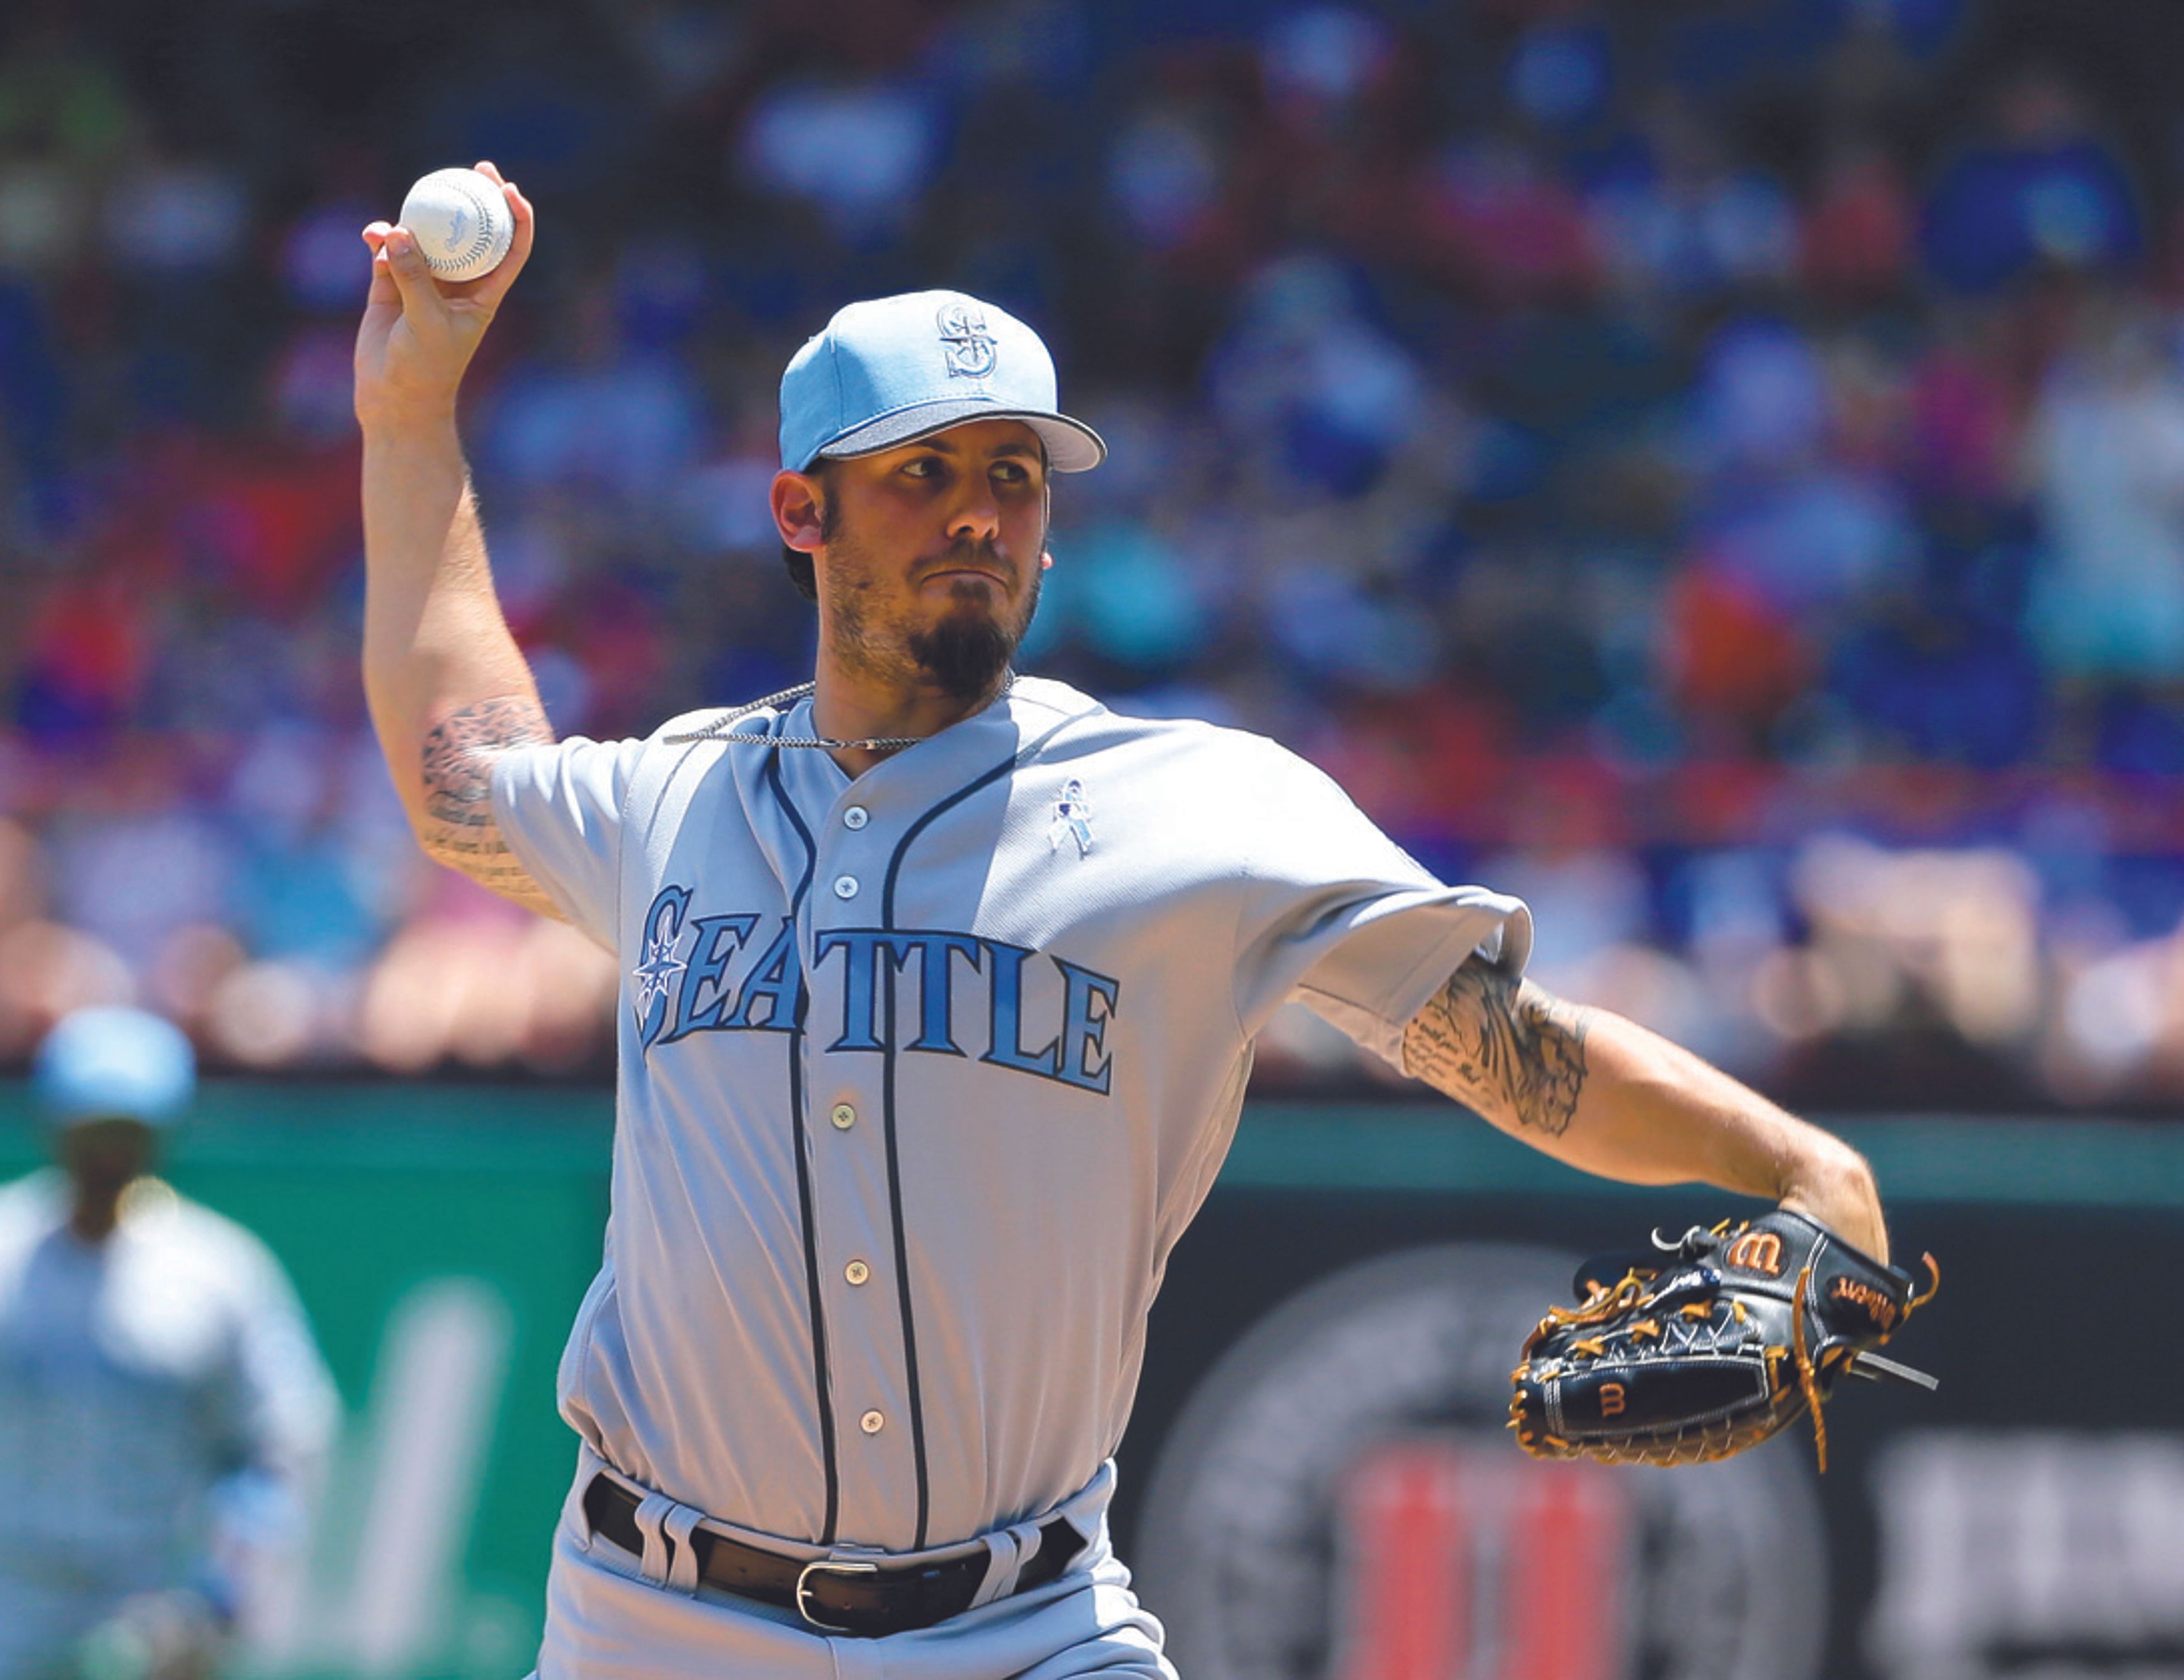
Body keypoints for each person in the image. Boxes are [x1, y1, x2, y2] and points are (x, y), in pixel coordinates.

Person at [354, 164, 1893, 1679]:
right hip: (652, 1619)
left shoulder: (1193, 808)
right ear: (799, 509)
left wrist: (1794, 1164)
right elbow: (459, 772)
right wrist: (409, 413)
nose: (977, 514)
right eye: (922, 471)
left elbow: (1512, 1050)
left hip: (1023, 1628)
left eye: (1011, 476)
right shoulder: (673, 800)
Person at [0, 1007, 338, 1680]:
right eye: (91, 1131)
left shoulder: (219, 1273)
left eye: (127, 1133)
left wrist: (216, 1601)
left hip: (133, 1600)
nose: (108, 1155)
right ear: (50, 1124)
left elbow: (276, 1446)